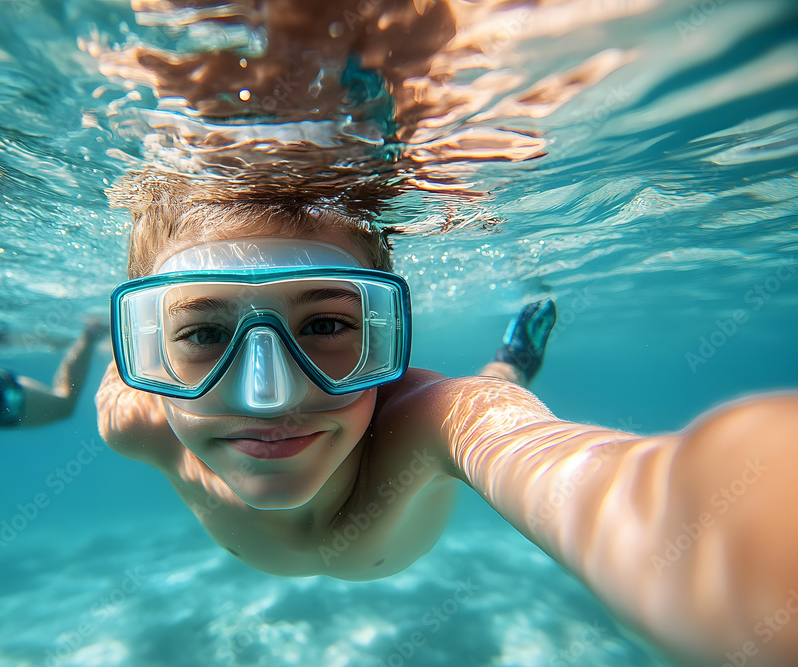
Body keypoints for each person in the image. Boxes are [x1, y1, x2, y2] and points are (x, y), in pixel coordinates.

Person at [95, 173, 798, 665]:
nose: (268, 395)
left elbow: (623, 485)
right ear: (149, 354)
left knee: (493, 386)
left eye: (328, 323)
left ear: (383, 334)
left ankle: (514, 352)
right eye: (204, 335)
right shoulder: (136, 418)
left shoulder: (432, 420)